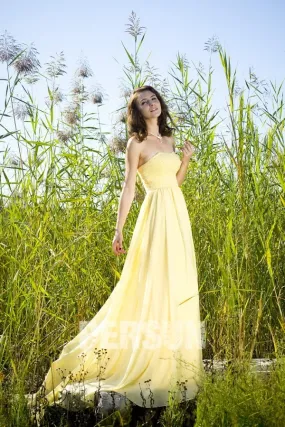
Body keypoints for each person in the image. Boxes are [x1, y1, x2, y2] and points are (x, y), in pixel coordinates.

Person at [25, 85, 205, 416]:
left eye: (154, 99)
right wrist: (118, 229)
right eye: (144, 103)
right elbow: (128, 189)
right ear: (136, 113)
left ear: (160, 105)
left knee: (174, 282)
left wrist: (187, 159)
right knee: (148, 284)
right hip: (154, 216)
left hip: (177, 214)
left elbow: (175, 182)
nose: (152, 105)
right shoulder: (135, 145)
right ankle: (139, 359)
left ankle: (170, 359)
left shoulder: (169, 141)